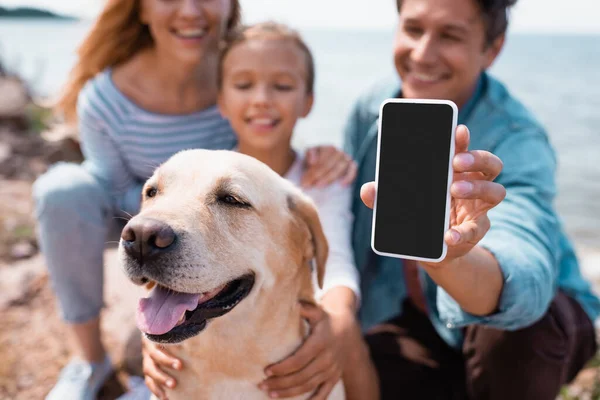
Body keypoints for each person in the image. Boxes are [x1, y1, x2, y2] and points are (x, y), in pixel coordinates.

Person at [32, 2, 356, 399]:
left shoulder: (237, 73)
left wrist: (324, 156)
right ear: (142, 9)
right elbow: (117, 188)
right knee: (63, 190)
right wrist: (160, 220)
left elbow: (266, 161)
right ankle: (89, 360)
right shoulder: (105, 97)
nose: (189, 10)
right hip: (140, 213)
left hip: (195, 228)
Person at [346, 0, 600, 398]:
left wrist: (451, 259)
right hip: (424, 318)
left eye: (450, 36)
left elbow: (523, 264)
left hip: (534, 321)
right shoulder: (373, 107)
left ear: (492, 49)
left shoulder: (517, 138)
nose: (422, 54)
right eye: (413, 29)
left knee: (512, 336)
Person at [140, 21, 379, 400]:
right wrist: (153, 332)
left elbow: (335, 262)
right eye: (243, 84)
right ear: (221, 99)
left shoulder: (320, 176)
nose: (262, 99)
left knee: (348, 335)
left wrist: (339, 320)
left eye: (282, 86)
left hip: (283, 319)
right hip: (202, 335)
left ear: (308, 101)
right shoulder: (195, 169)